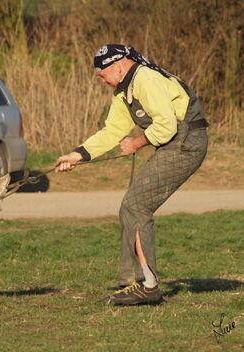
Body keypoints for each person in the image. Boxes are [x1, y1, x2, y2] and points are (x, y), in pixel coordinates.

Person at [54, 44, 209, 305]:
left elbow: (167, 125)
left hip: (187, 143)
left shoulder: (145, 79)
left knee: (135, 206)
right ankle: (136, 283)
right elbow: (112, 132)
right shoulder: (123, 92)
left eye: (102, 74)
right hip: (175, 143)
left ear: (117, 65)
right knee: (132, 207)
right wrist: (76, 155)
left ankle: (147, 286)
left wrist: (136, 143)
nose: (101, 80)